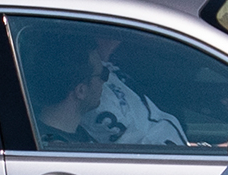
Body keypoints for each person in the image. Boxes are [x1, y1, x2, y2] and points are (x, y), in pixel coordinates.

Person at [18, 24, 185, 148]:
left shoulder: (76, 137)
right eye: (103, 75)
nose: (105, 82)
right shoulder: (58, 148)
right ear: (81, 91)